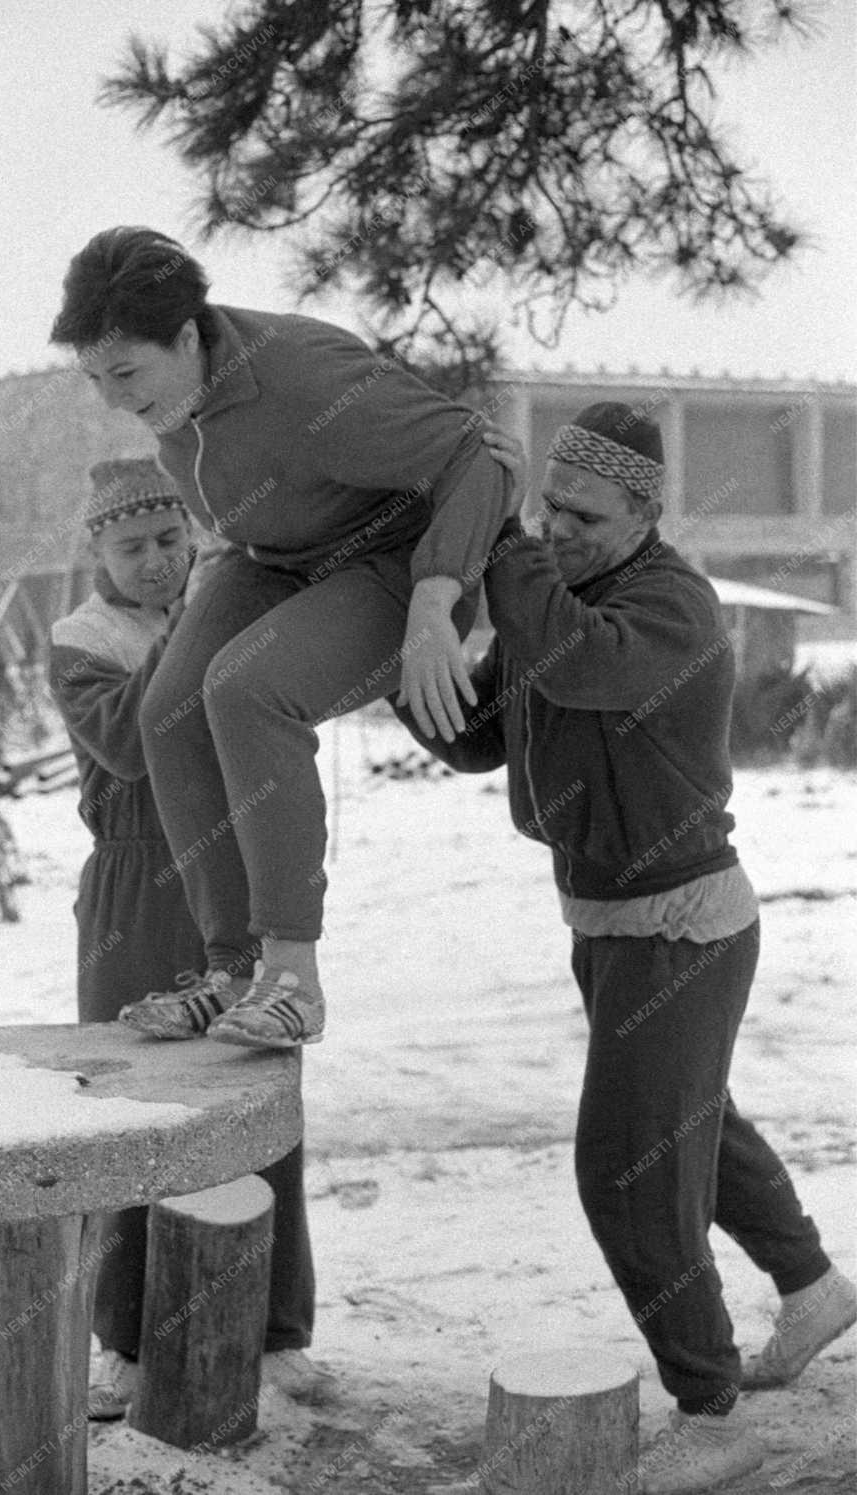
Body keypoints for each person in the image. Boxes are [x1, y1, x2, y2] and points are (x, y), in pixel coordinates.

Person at [396, 405, 856, 1495]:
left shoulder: (670, 607)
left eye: (583, 513)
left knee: (623, 1167)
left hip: (682, 930)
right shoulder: (566, 598)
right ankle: (811, 1286)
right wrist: (406, 656)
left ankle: (709, 1407)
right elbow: (479, 734)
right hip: (605, 927)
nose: (556, 527)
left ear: (647, 511)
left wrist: (494, 546)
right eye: (548, 505)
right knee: (692, 1122)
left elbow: (571, 662)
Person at [49, 227, 512, 1050]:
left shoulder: (302, 376)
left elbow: (475, 455)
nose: (113, 399)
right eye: (92, 379)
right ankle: (232, 967)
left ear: (188, 336)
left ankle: (292, 976)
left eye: (124, 374)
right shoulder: (178, 393)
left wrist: (437, 601)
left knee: (247, 687)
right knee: (168, 708)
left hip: (397, 560)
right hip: (280, 557)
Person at [49, 458, 328, 1419]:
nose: (159, 562)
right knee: (128, 1108)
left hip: (236, 870)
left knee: (255, 1094)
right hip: (136, 884)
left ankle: (277, 1328)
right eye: (133, 547)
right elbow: (131, 744)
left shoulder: (230, 611)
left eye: (173, 540)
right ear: (97, 551)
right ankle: (124, 1341)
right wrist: (199, 634)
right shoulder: (81, 643)